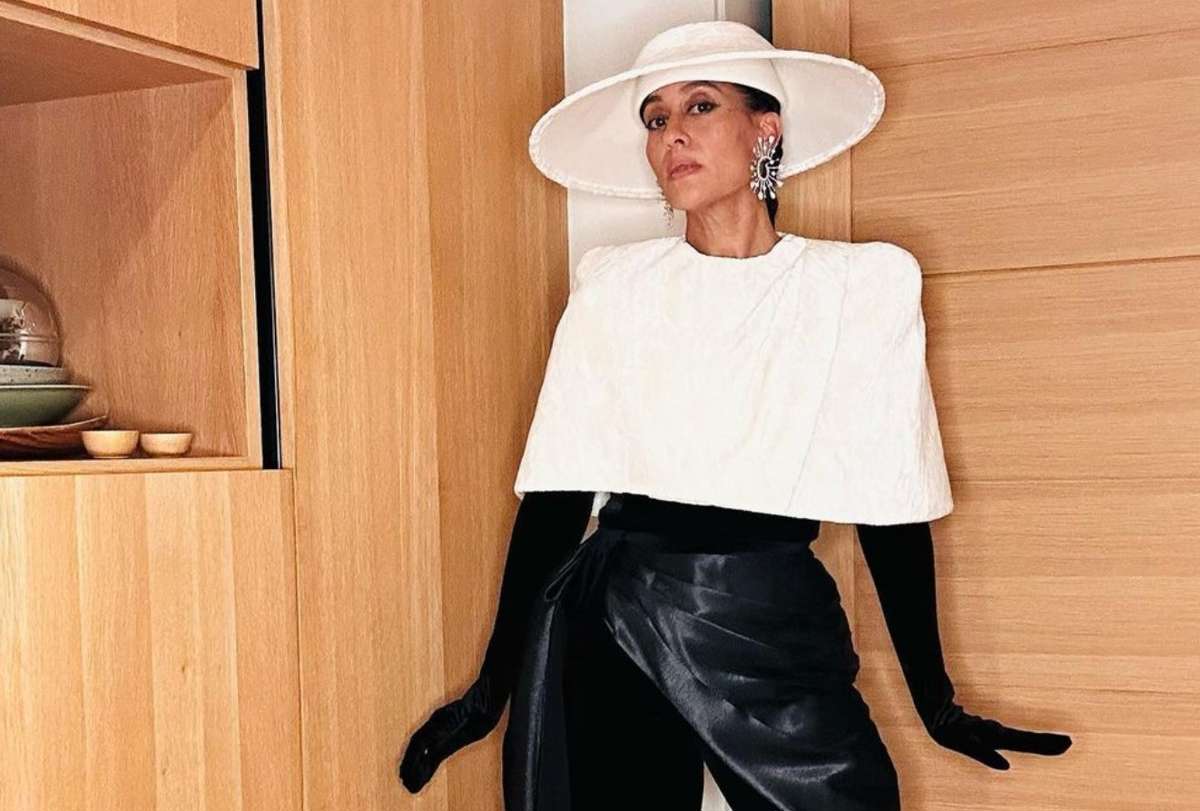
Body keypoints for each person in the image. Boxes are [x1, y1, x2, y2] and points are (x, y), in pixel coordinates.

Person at [399, 20, 1072, 810]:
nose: (672, 135)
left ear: (766, 128)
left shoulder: (861, 288)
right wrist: (490, 690)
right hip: (617, 611)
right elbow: (558, 495)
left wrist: (936, 698)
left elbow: (890, 503)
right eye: (655, 119)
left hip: (771, 608)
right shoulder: (614, 286)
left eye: (700, 106)